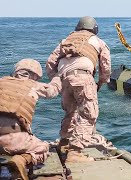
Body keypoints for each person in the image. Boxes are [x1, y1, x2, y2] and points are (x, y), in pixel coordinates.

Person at [46, 16, 113, 162]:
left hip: (64, 78)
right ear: (94, 29)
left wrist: (56, 80)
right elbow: (105, 66)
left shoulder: (66, 40)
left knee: (70, 112)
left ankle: (64, 143)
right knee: (89, 114)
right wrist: (101, 82)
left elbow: (50, 63)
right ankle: (75, 152)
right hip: (83, 77)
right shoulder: (98, 41)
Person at [0, 59, 61, 180]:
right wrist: (57, 77)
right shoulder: (34, 85)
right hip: (12, 138)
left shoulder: (2, 81)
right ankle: (21, 160)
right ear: (34, 75)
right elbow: (52, 91)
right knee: (42, 147)